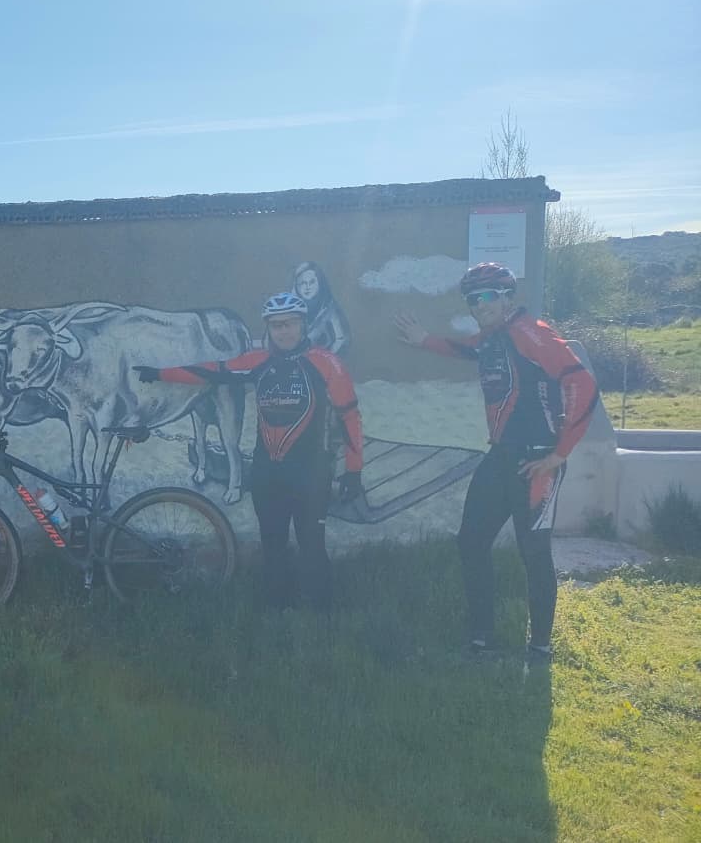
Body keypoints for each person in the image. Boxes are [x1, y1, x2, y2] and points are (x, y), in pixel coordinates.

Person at [393, 263, 598, 661]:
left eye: (487, 296)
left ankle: (540, 648)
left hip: (537, 461)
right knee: (471, 541)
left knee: (533, 551)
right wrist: (424, 340)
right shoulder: (492, 337)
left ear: (507, 297)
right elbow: (467, 349)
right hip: (501, 456)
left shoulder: (530, 332)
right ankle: (481, 637)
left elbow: (582, 383)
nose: (479, 305)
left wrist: (560, 453)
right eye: (472, 299)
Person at [134, 292, 366, 610]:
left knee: (312, 546)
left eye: (290, 324)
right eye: (276, 325)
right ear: (268, 328)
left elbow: (350, 416)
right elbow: (212, 371)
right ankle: (276, 609)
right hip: (267, 473)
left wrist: (354, 471)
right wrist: (161, 373)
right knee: (272, 545)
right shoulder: (259, 362)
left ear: (303, 324)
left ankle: (320, 617)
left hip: (311, 474)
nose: (283, 331)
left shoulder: (326, 363)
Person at [291, 261, 351, 356]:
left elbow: (341, 339)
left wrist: (326, 358)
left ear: (320, 282)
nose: (307, 287)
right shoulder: (289, 310)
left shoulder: (330, 309)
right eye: (302, 283)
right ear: (296, 285)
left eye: (312, 282)